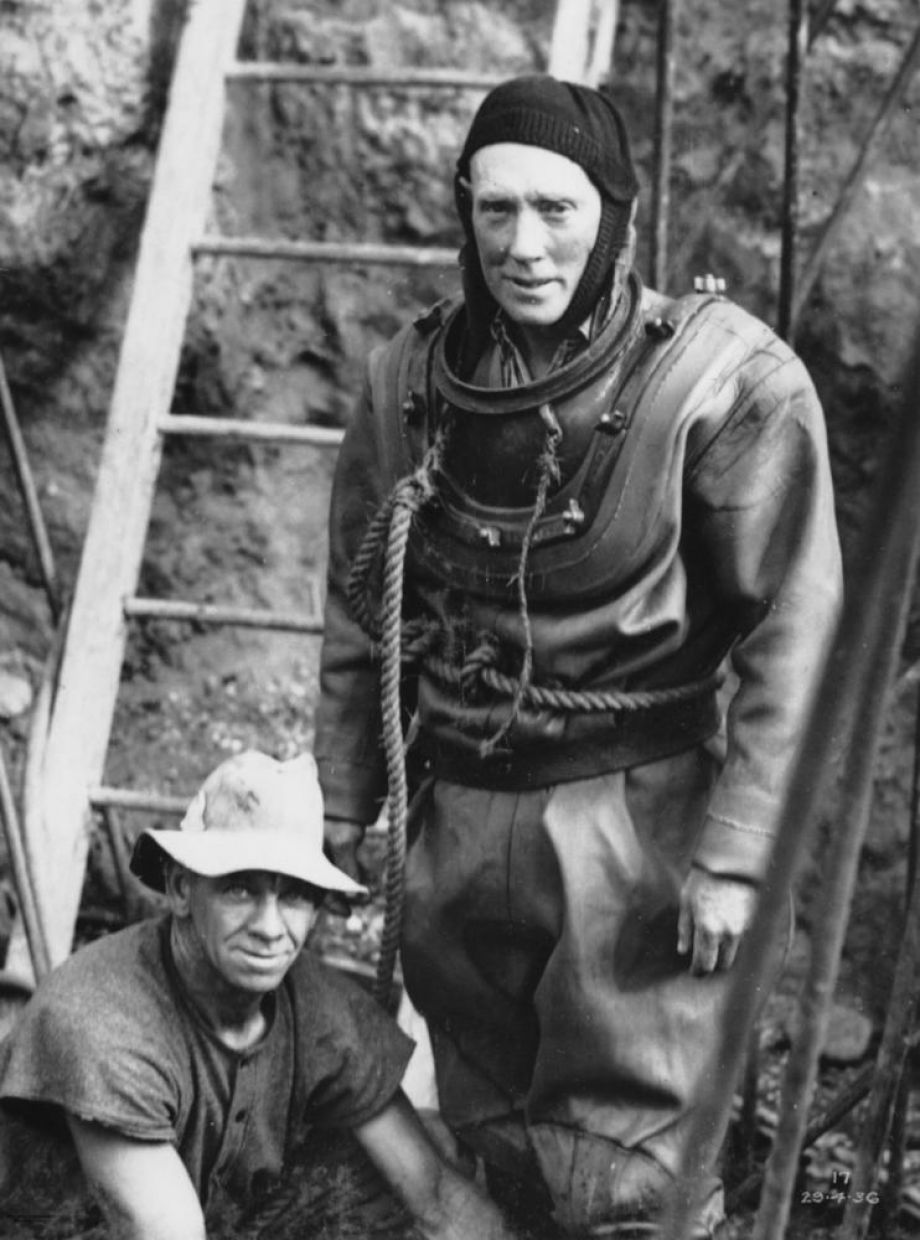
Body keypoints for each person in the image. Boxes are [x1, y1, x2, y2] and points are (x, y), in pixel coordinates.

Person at [314, 74, 843, 1238]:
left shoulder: (724, 382)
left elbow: (795, 632)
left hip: (636, 828)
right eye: (494, 210)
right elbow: (362, 602)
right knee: (487, 1142)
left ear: (615, 212)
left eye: (556, 210)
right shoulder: (408, 383)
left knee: (632, 1172)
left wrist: (740, 856)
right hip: (458, 811)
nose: (523, 246)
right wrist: (349, 794)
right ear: (463, 210)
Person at [0, 750, 516, 1240]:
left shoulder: (316, 1005)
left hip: (215, 1217)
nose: (270, 928)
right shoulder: (100, 1019)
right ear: (181, 889)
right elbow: (164, 1229)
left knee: (416, 1153)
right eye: (240, 889)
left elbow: (435, 1195)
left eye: (293, 895)